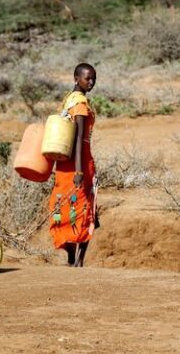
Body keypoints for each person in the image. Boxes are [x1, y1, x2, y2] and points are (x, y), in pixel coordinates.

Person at [48, 62, 99, 267]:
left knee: (64, 205)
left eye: (94, 78)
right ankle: (78, 260)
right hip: (79, 162)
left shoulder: (67, 101)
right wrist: (79, 169)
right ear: (76, 78)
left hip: (64, 163)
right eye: (88, 78)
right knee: (85, 207)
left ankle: (72, 258)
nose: (91, 82)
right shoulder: (79, 104)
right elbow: (78, 138)